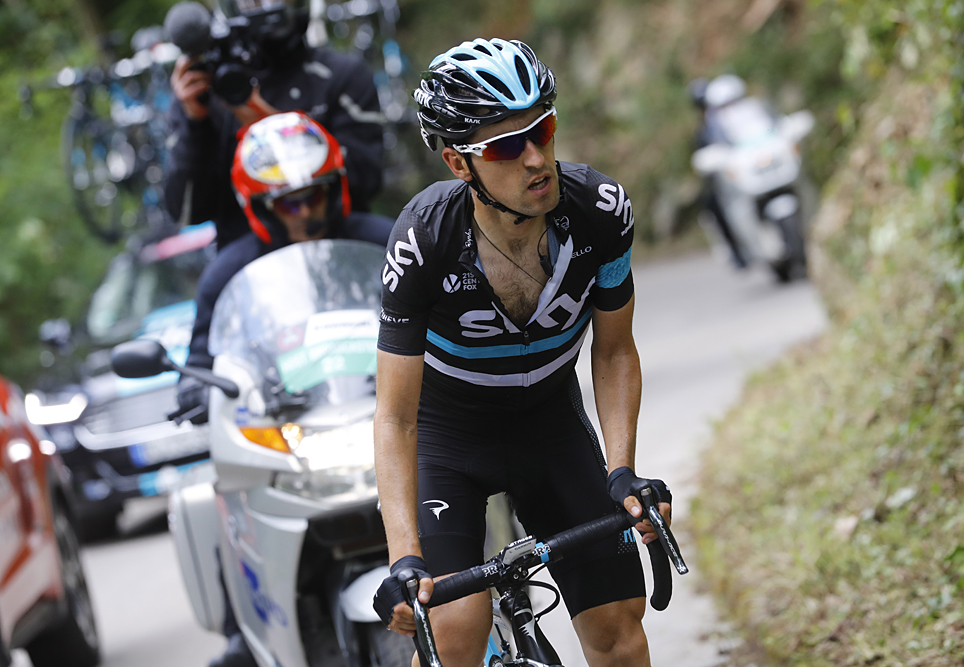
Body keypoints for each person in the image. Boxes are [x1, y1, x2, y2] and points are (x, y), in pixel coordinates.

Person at [371, 38, 672, 667]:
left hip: (550, 427)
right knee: (454, 631)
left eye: (543, 130)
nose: (536, 158)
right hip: (450, 438)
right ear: (458, 163)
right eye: (508, 146)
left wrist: (622, 473)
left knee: (618, 631)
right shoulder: (423, 241)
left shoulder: (600, 213)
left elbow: (615, 353)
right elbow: (395, 417)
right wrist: (404, 559)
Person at [175, 111, 394, 667]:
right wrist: (196, 392)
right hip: (294, 429)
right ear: (260, 207)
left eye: (314, 196)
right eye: (288, 204)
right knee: (223, 496)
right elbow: (202, 357)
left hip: (386, 412)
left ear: (335, 188)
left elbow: (444, 306)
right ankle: (242, 630)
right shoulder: (228, 273)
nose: (306, 213)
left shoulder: (384, 239)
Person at [165, 0, 386, 250]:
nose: (264, 6)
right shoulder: (205, 94)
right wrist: (196, 125)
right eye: (251, 2)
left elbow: (367, 179)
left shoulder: (341, 75)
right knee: (215, 277)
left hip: (340, 243)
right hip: (250, 257)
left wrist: (271, 126)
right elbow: (186, 213)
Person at [690, 74, 748, 268]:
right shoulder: (703, 131)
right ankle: (735, 249)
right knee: (713, 203)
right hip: (725, 178)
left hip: (748, 167)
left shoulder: (737, 116)